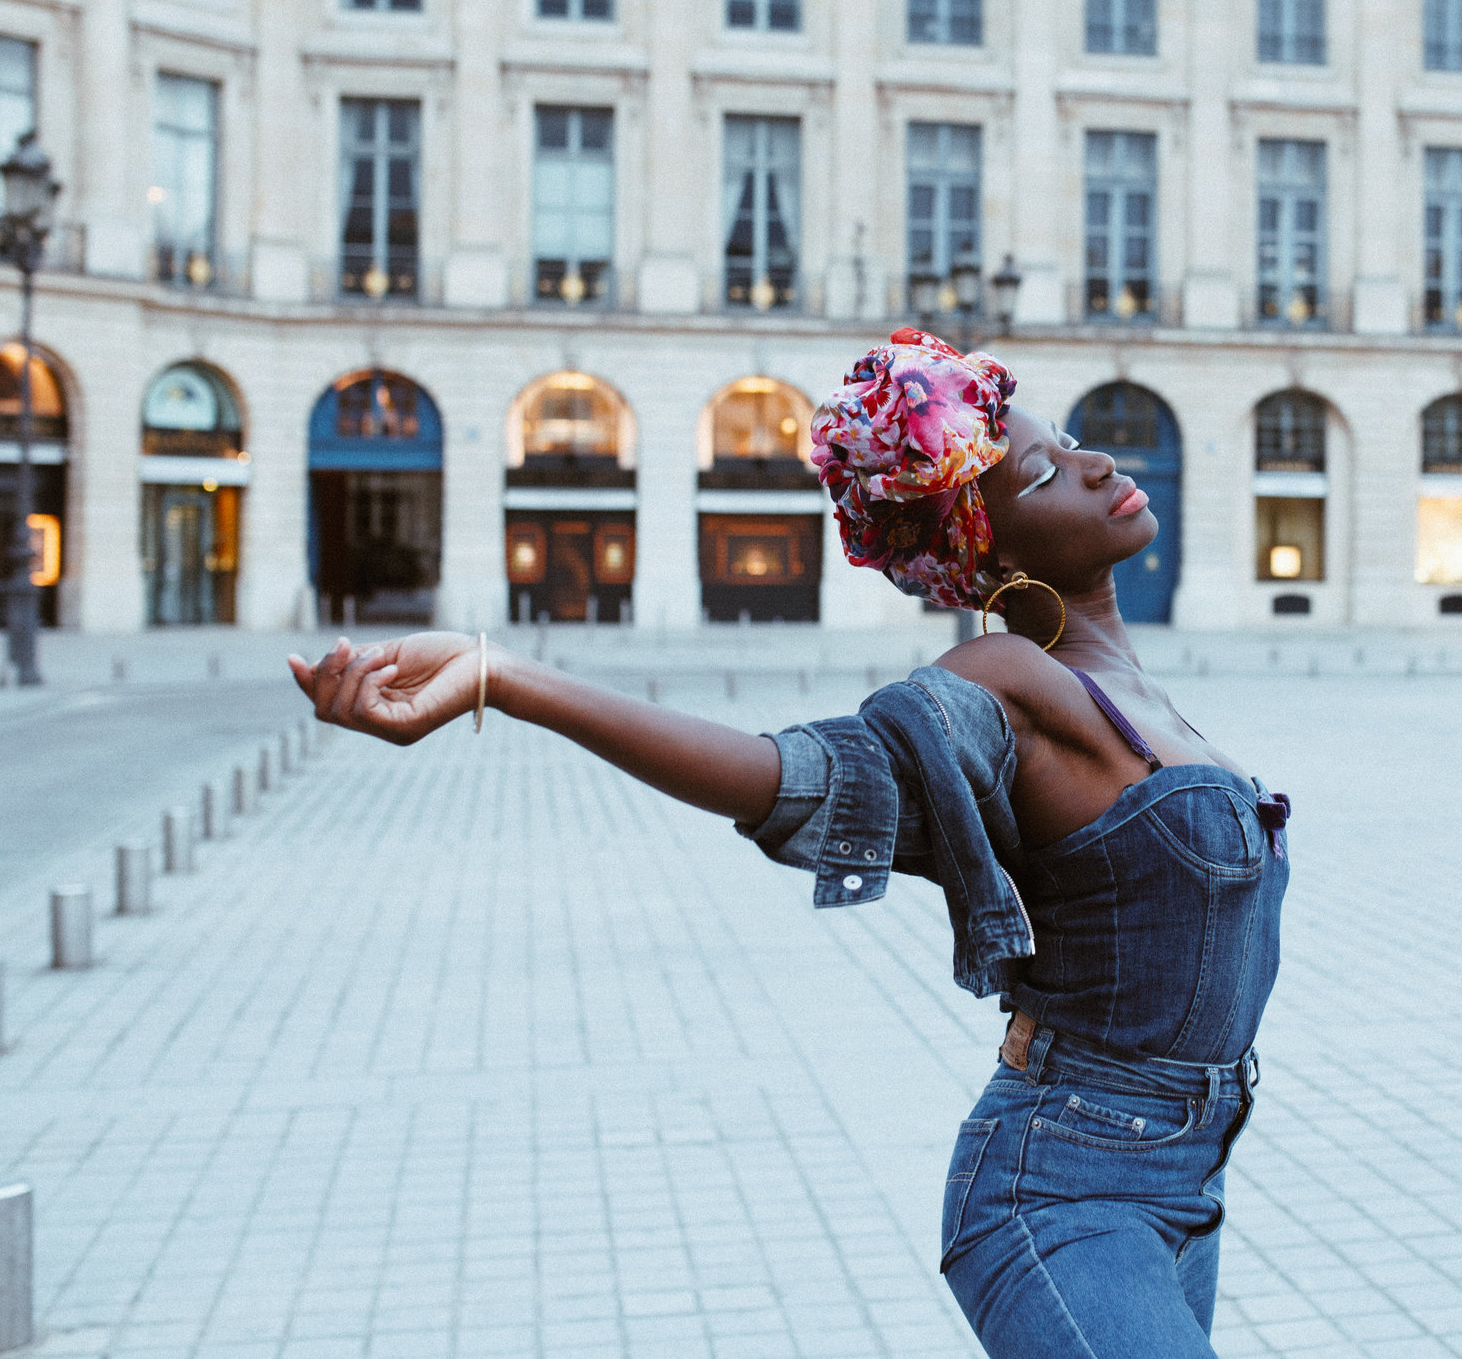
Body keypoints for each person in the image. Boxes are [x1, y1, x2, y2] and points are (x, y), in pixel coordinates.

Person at [290, 329, 1291, 1358]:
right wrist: (506, 676)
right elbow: (790, 775)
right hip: (1063, 1186)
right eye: (1045, 472)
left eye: (1075, 442)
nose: (1098, 463)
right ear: (990, 549)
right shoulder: (1007, 681)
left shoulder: (1134, 689)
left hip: (1184, 1178)